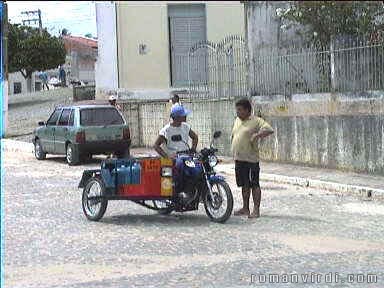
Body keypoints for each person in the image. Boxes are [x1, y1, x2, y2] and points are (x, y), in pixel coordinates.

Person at [231, 98, 274, 219]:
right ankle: (245, 208)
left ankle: (256, 209)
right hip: (239, 158)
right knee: (244, 184)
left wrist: (257, 135)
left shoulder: (256, 121)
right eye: (237, 110)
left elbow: (270, 129)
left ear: (247, 110)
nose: (237, 112)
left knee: (254, 184)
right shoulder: (237, 121)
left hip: (251, 160)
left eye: (240, 110)